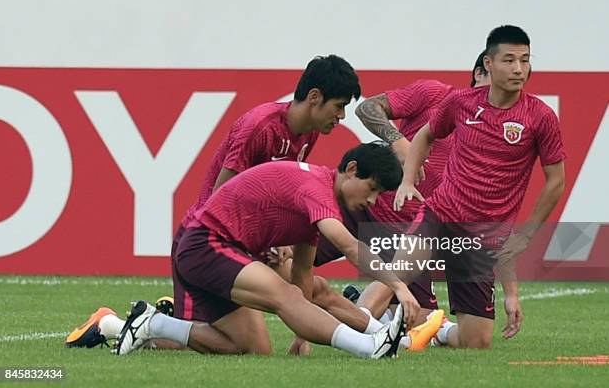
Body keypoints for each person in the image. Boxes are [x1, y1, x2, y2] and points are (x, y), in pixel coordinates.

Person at [114, 143, 424, 358]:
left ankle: (152, 323)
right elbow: (348, 246)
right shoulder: (316, 188)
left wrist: (303, 334)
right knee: (283, 295)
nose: (372, 201)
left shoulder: (320, 199)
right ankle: (369, 347)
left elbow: (303, 270)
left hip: (218, 248)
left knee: (251, 348)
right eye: (372, 189)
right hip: (206, 244)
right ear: (351, 169)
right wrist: (398, 285)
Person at [396, 25, 565, 348]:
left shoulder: (540, 117)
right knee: (398, 272)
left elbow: (556, 181)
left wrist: (526, 234)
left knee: (476, 342)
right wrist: (408, 178)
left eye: (525, 60)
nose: (519, 69)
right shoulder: (460, 102)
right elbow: (425, 135)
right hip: (441, 213)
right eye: (510, 60)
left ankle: (438, 330)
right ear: (488, 63)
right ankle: (359, 336)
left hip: (482, 236)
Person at [310, 51, 491, 336]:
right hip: (369, 202)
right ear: (480, 72)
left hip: (413, 229)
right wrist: (399, 141)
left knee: (421, 319)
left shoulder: (493, 136)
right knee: (282, 258)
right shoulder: (434, 94)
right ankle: (353, 327)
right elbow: (367, 108)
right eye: (499, 77)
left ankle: (356, 312)